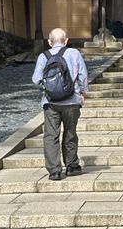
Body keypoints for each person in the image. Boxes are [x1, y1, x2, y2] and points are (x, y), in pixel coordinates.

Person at [32, 28, 88, 181]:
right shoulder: (74, 53)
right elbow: (82, 75)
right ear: (66, 41)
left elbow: (36, 80)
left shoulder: (43, 56)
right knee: (70, 132)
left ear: (49, 42)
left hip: (50, 102)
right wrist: (82, 92)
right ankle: (72, 165)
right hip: (72, 101)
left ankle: (54, 170)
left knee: (51, 135)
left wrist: (48, 89)